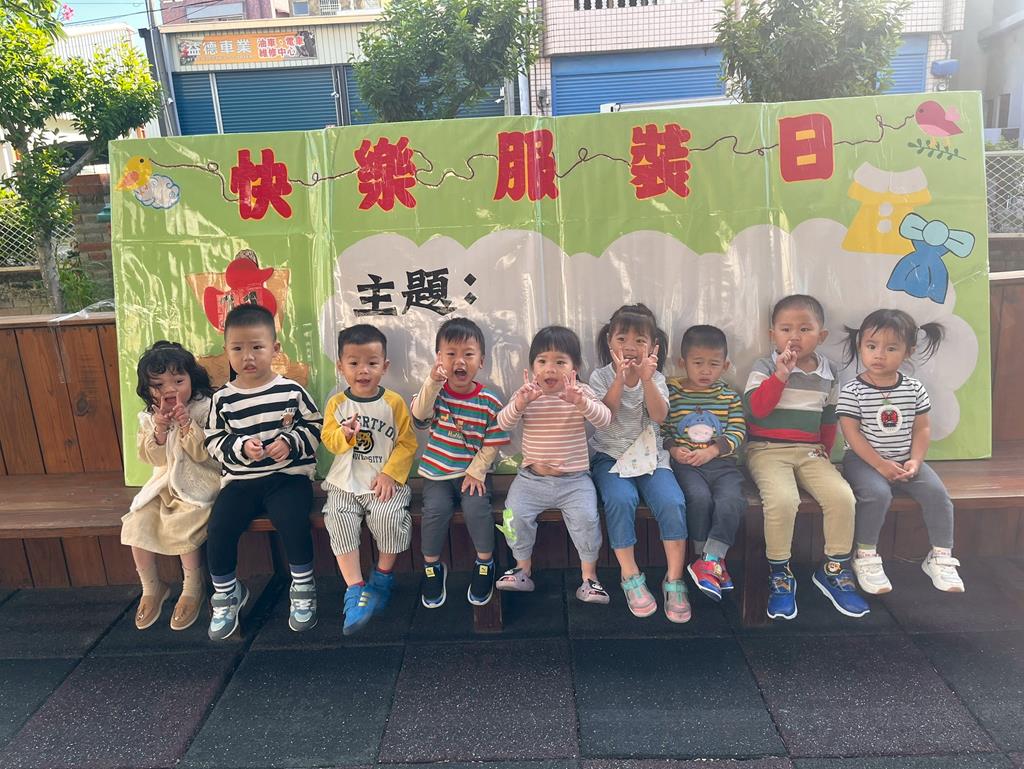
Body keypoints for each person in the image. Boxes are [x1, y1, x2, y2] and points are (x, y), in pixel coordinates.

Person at [744, 294, 869, 620]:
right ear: (772, 334)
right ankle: (780, 574)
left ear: (821, 335)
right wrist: (780, 376)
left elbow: (828, 419)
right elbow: (755, 410)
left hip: (810, 452)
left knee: (842, 497)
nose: (794, 337)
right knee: (783, 500)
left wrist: (825, 453)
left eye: (804, 329)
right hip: (767, 449)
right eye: (785, 329)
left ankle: (834, 569)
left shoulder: (829, 372)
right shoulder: (765, 366)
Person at [204, 304, 323, 640]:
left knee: (292, 519)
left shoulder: (291, 391)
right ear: (226, 351)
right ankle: (227, 593)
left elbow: (316, 426)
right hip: (240, 482)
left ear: (275, 348)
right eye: (237, 349)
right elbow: (212, 440)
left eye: (257, 347)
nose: (248, 357)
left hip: (288, 478)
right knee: (219, 526)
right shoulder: (222, 399)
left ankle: (303, 587)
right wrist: (241, 448)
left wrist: (291, 442)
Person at [837, 309, 964, 594]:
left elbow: (922, 428)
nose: (879, 355)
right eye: (871, 346)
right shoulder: (852, 391)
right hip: (863, 461)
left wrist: (916, 461)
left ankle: (941, 556)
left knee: (938, 494)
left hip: (906, 459)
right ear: (860, 346)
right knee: (877, 494)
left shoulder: (914, 388)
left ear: (909, 351)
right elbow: (852, 434)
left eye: (891, 348)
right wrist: (880, 465)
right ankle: (865, 555)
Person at [496, 326, 612, 603]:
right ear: (532, 367)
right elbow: (503, 424)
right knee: (513, 515)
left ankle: (590, 578)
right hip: (531, 479)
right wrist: (520, 404)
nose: (550, 368)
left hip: (575, 481)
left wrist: (581, 403)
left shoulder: (580, 392)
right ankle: (522, 568)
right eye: (542, 361)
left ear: (575, 368)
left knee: (587, 519)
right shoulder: (526, 394)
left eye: (560, 362)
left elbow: (605, 420)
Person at [590, 304, 690, 622]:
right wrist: (620, 380)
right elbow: (604, 418)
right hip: (609, 456)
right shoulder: (599, 376)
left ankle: (674, 579)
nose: (630, 346)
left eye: (639, 340)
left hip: (651, 457)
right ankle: (630, 574)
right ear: (609, 341)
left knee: (672, 502)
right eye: (622, 338)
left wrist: (645, 380)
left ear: (653, 346)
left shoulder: (656, 378)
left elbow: (659, 416)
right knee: (621, 499)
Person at [321, 324, 418, 635]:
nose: (363, 370)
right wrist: (344, 435)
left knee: (389, 516)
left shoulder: (394, 402)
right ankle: (355, 589)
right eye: (354, 363)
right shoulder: (337, 403)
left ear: (384, 366)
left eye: (372, 363)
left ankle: (382, 578)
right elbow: (329, 441)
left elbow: (407, 443)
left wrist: (390, 474)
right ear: (341, 366)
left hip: (382, 481)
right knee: (337, 517)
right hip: (344, 482)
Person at [411, 317, 510, 609]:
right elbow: (419, 415)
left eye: (468, 354)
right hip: (437, 474)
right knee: (435, 510)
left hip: (473, 475)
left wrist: (477, 472)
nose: (460, 361)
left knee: (477, 509)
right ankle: (432, 567)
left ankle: (485, 563)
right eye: (451, 354)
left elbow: (493, 442)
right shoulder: (435, 392)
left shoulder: (489, 400)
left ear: (481, 361)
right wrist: (432, 381)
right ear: (439, 359)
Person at [123, 341, 220, 631]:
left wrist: (187, 424)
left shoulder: (205, 407)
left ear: (192, 378)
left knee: (183, 522)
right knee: (138, 520)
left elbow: (206, 455)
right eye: (159, 384)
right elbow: (151, 457)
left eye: (178, 381)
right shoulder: (149, 417)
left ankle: (192, 587)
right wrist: (160, 428)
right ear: (148, 389)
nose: (170, 389)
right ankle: (152, 587)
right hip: (164, 483)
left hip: (201, 481)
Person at [663, 325, 746, 602]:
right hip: (686, 466)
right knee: (698, 498)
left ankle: (712, 558)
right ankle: (705, 559)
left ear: (725, 365)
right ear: (682, 362)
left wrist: (713, 451)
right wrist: (673, 449)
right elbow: (661, 428)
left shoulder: (728, 396)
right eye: (698, 363)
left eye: (714, 364)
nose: (705, 370)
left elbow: (738, 431)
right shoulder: (672, 394)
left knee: (731, 500)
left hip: (723, 466)